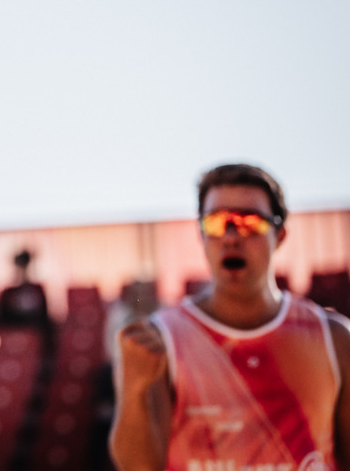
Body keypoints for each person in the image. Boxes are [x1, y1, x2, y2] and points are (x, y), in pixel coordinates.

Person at [110, 163, 350, 471]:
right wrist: (133, 388)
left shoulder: (335, 340)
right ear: (201, 235)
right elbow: (138, 468)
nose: (231, 236)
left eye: (250, 222)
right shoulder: (160, 341)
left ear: (280, 235)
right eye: (216, 223)